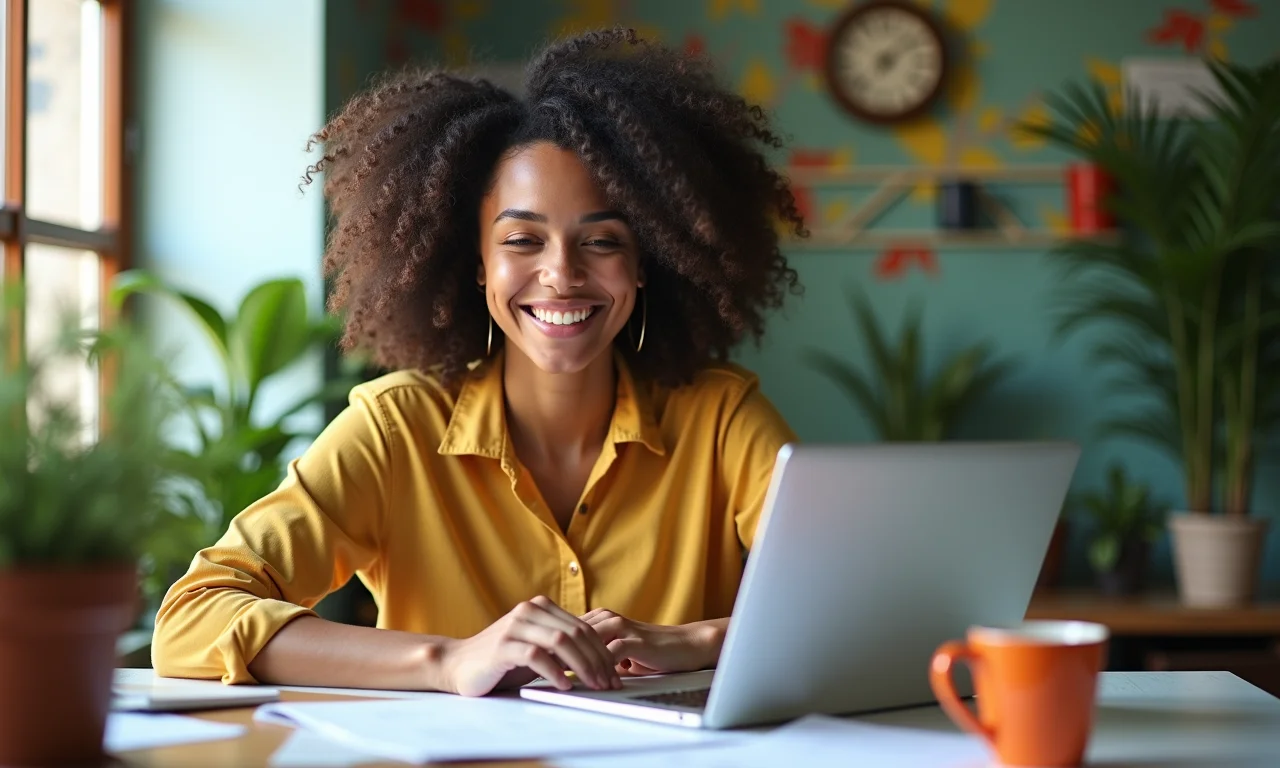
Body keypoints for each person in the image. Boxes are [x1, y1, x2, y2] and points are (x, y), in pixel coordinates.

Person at [152, 27, 806, 698]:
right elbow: (191, 618)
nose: (561, 274)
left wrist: (697, 642)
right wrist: (450, 660)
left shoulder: (723, 420)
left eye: (603, 241)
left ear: (647, 264)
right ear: (476, 264)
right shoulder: (395, 429)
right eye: (522, 239)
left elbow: (864, 610)